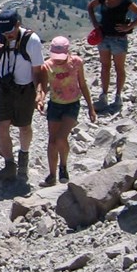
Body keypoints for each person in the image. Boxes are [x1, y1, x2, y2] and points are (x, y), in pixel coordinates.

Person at [0, 8, 44, 180]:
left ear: (18, 24)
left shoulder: (31, 40)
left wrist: (40, 92)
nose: (7, 35)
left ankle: (24, 158)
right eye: (4, 31)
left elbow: (38, 70)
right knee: (2, 126)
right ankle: (9, 164)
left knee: (24, 126)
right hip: (5, 88)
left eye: (10, 31)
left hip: (25, 88)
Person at [38, 36, 97, 186]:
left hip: (72, 105)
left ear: (67, 52)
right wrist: (40, 98)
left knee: (60, 137)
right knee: (52, 141)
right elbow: (43, 87)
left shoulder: (77, 63)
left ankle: (63, 166)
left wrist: (91, 107)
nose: (58, 60)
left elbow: (82, 84)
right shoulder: (47, 66)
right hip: (55, 105)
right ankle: (52, 175)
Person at [86, 0, 137, 110]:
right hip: (103, 37)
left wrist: (129, 26)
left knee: (119, 68)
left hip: (119, 39)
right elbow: (90, 6)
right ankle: (104, 95)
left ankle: (118, 96)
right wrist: (95, 23)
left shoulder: (125, 1)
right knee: (105, 66)